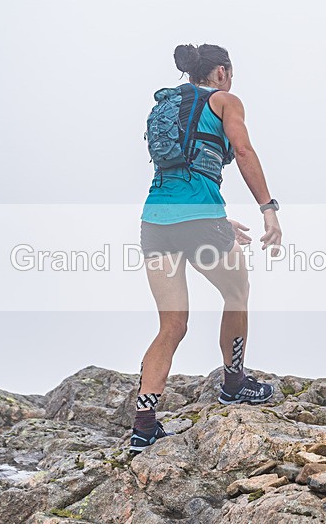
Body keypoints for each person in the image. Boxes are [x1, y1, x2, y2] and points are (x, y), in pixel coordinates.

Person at [129, 43, 282, 453]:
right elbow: (245, 152)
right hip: (199, 220)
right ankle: (234, 384)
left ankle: (143, 427)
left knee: (172, 325)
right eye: (229, 73)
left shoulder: (170, 105)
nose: (231, 80)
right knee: (236, 292)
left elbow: (182, 172)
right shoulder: (225, 100)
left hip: (156, 223)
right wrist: (268, 210)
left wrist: (216, 219)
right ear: (220, 71)